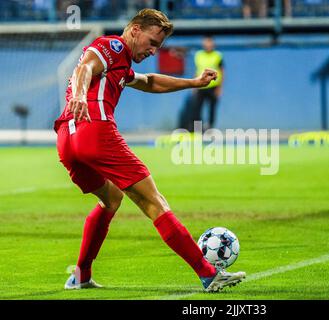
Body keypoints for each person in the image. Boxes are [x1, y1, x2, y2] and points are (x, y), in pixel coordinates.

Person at [54, 8, 245, 292]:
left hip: (67, 140)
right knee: (154, 202)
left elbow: (149, 81)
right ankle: (208, 273)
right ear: (134, 30)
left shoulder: (120, 63)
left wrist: (193, 82)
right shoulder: (112, 46)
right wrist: (81, 95)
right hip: (94, 129)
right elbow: (85, 68)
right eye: (152, 42)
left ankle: (81, 275)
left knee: (111, 199)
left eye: (159, 46)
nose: (154, 50)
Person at [192, 36, 224, 130]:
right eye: (206, 42)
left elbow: (222, 71)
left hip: (213, 86)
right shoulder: (198, 55)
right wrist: (194, 86)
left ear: (213, 44)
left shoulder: (217, 55)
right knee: (196, 109)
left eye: (210, 42)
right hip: (200, 86)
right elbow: (196, 70)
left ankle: (210, 129)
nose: (208, 45)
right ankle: (197, 130)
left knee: (212, 109)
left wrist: (220, 87)